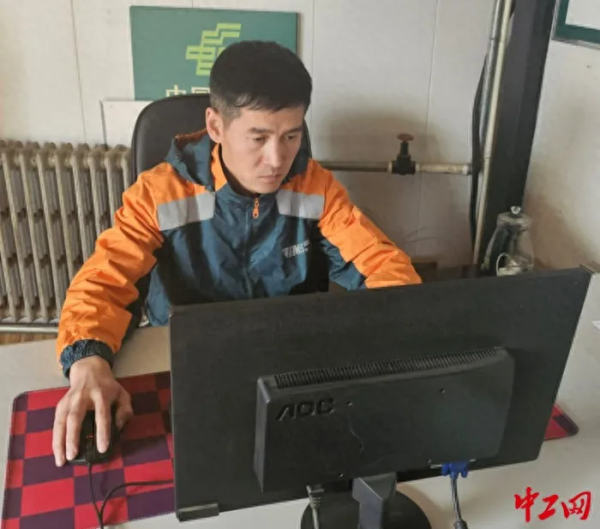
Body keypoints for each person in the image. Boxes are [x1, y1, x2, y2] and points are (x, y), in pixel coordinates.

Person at [52, 41, 422, 467]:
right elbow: (104, 281)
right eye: (259, 137)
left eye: (291, 136)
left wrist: (401, 335)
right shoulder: (160, 192)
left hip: (289, 365)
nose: (277, 159)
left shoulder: (313, 186)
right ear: (215, 126)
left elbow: (382, 265)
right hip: (188, 362)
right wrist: (87, 363)